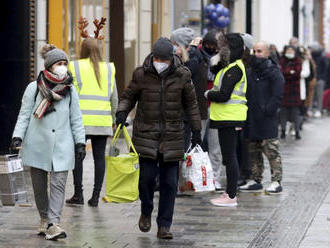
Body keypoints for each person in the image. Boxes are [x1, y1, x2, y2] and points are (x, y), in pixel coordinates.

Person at [116, 37, 201, 239]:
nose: (160, 63)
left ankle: (164, 225)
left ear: (171, 59)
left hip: (172, 135)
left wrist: (197, 131)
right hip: (146, 134)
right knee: (145, 180)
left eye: (164, 60)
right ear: (153, 56)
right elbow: (129, 95)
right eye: (158, 59)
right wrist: (121, 112)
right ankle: (146, 211)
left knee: (170, 183)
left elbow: (191, 104)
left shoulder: (182, 75)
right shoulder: (141, 74)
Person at [10, 44, 86, 240]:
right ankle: (44, 218)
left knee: (59, 184)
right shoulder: (33, 88)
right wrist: (17, 136)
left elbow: (76, 118)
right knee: (39, 185)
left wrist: (80, 142)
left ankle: (53, 222)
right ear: (50, 66)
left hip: (62, 145)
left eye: (64, 63)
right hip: (37, 144)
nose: (62, 67)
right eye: (59, 63)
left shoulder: (70, 90)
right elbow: (25, 115)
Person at [66, 36, 118, 207]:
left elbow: (68, 93)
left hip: (80, 121)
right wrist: (114, 118)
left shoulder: (74, 66)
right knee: (99, 159)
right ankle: (95, 196)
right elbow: (114, 97)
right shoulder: (109, 68)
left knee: (78, 157)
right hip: (102, 120)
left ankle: (78, 194)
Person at [205, 33, 247, 207]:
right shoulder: (228, 66)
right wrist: (217, 60)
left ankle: (231, 196)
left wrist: (207, 94)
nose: (219, 49)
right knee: (228, 156)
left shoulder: (235, 68)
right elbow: (214, 70)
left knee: (229, 157)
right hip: (224, 117)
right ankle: (229, 193)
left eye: (223, 46)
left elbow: (223, 95)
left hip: (230, 117)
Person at [239, 41, 285, 194]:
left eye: (259, 51)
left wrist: (267, 110)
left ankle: (276, 181)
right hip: (251, 117)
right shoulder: (250, 71)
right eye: (254, 51)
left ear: (266, 53)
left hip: (266, 119)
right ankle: (255, 179)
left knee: (271, 151)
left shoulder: (274, 71)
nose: (256, 54)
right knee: (253, 151)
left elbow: (277, 95)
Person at [170, 27, 208, 150]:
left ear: (181, 45)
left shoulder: (192, 62)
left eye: (174, 44)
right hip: (181, 114)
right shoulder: (187, 59)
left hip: (184, 115)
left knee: (181, 151)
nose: (172, 48)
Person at [199, 29, 223, 190]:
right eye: (209, 45)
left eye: (215, 46)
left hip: (216, 108)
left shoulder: (222, 59)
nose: (212, 49)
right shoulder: (197, 57)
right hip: (200, 107)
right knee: (197, 144)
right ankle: (196, 176)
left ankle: (215, 177)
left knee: (216, 147)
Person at [279, 45, 302, 140]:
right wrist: (290, 73)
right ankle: (283, 131)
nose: (289, 52)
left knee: (295, 112)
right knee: (283, 112)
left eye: (291, 50)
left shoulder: (298, 61)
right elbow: (281, 72)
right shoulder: (282, 60)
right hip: (284, 90)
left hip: (294, 91)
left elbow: (297, 73)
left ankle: (297, 131)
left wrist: (288, 73)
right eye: (288, 50)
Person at [310, 42, 327, 117]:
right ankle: (310, 109)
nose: (311, 50)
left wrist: (322, 77)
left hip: (320, 79)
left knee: (319, 95)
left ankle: (319, 110)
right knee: (311, 95)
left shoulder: (322, 56)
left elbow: (325, 68)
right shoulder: (311, 57)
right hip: (312, 78)